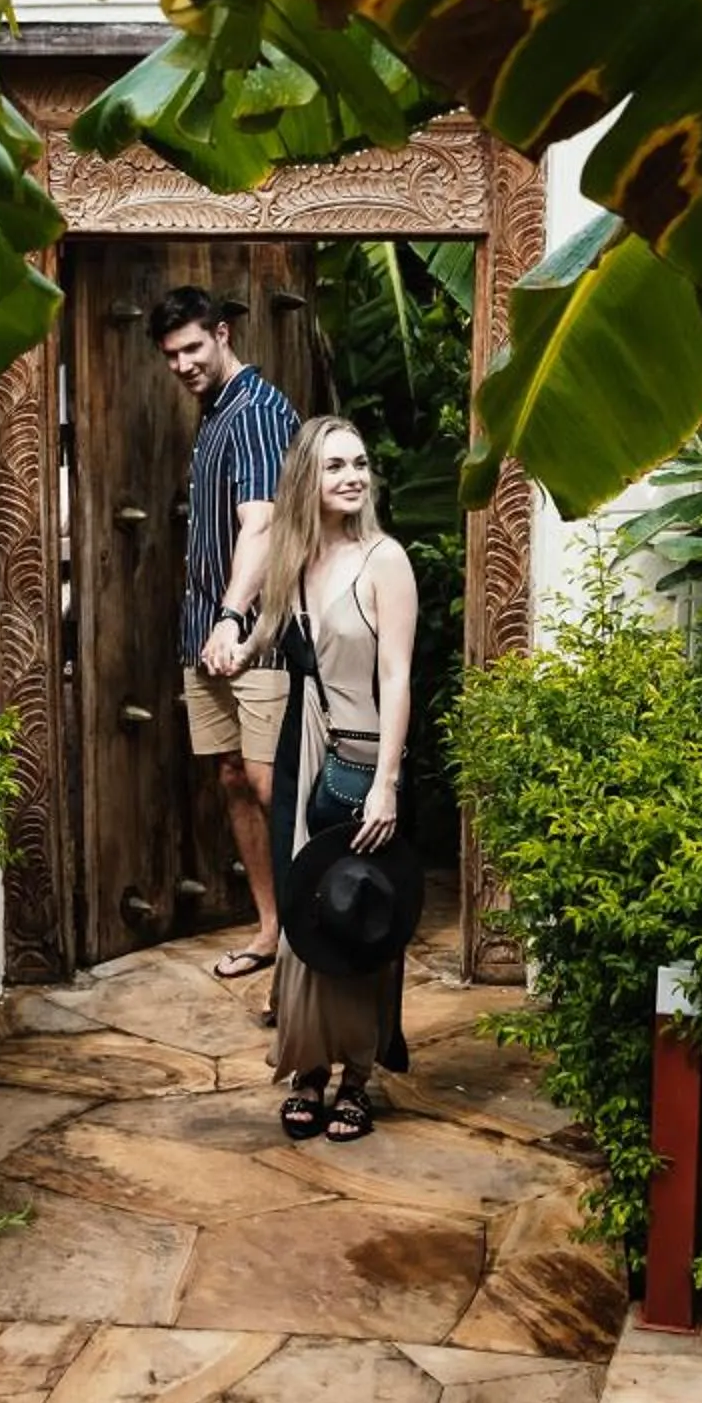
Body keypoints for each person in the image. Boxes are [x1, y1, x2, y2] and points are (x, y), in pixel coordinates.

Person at [213, 415, 419, 1142]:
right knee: (306, 915)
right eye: (335, 466)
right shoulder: (296, 559)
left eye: (359, 463)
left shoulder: (385, 560)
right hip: (303, 752)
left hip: (363, 758)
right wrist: (233, 640)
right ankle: (307, 1068)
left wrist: (387, 781)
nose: (353, 477)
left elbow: (397, 677)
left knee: (359, 910)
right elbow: (275, 632)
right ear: (308, 477)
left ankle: (357, 1076)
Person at [150, 284, 300, 992]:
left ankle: (310, 947)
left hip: (255, 634)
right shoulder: (214, 413)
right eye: (170, 355)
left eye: (192, 348)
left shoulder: (257, 411)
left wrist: (233, 617)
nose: (182, 365)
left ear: (222, 335)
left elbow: (263, 523)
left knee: (272, 783)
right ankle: (271, 931)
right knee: (235, 777)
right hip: (208, 635)